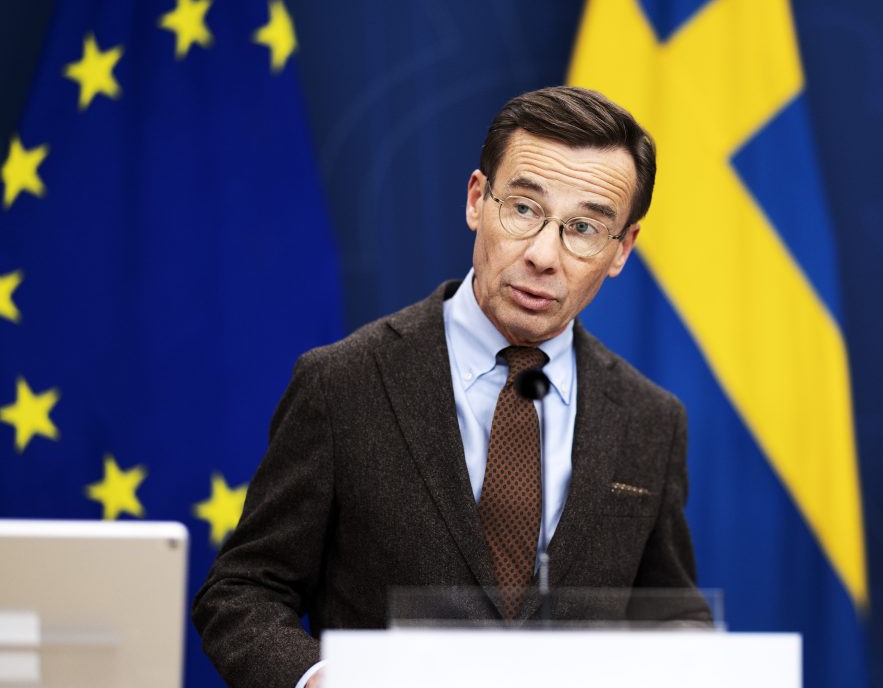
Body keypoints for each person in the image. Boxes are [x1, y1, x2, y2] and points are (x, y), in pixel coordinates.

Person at [192, 86, 704, 688]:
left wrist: (692, 657)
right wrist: (320, 680)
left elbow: (671, 609)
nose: (543, 254)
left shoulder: (649, 419)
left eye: (585, 227)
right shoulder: (343, 383)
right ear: (476, 200)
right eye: (522, 210)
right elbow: (243, 590)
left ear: (621, 250)